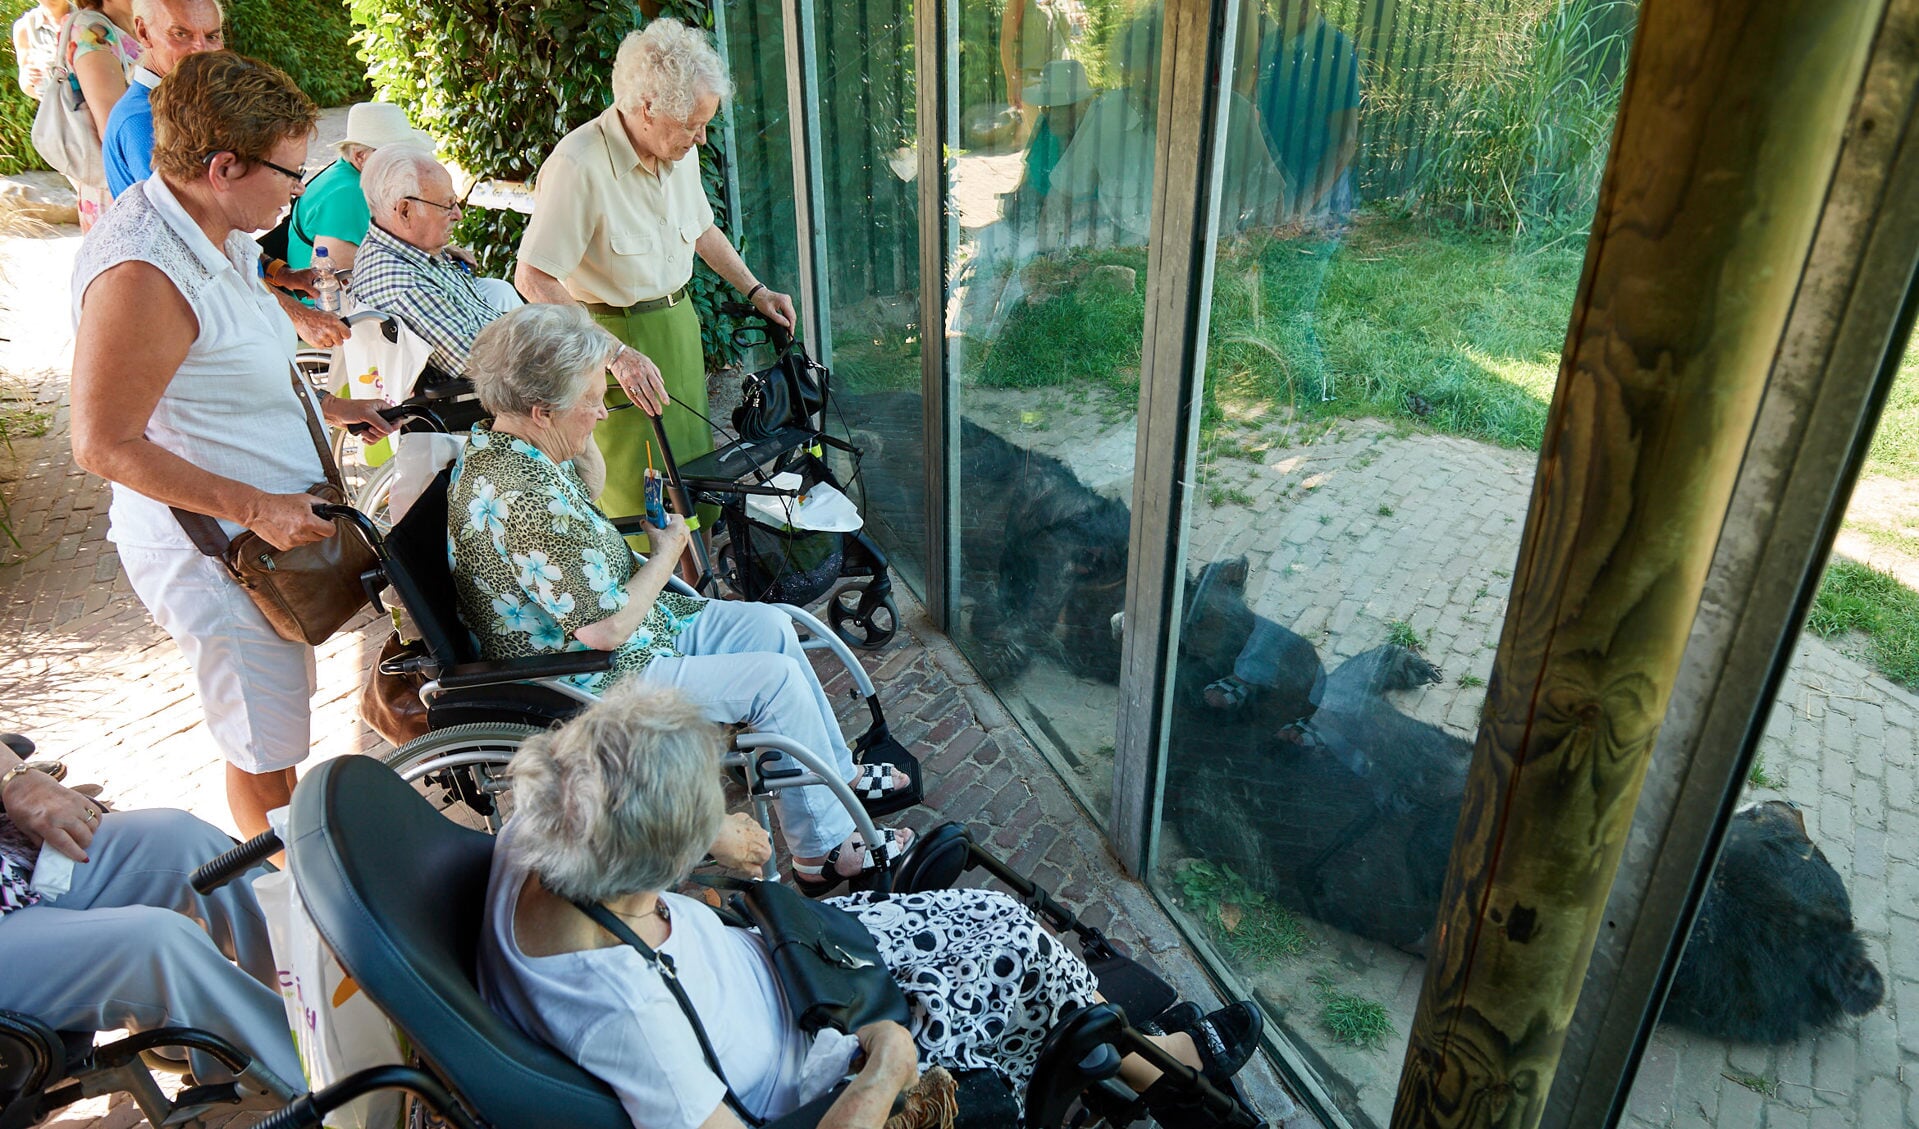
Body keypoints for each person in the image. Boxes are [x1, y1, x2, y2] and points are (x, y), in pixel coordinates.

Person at [478, 683, 1264, 1129]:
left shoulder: (546, 818)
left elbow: (611, 780)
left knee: (999, 923)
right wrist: (885, 1072)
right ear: (654, 860)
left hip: (790, 953)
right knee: (1011, 954)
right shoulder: (629, 1020)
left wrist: (706, 831)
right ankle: (1148, 1061)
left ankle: (1126, 1057)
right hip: (825, 1057)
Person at [448, 303, 910, 892]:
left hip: (637, 626)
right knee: (774, 680)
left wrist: (579, 440)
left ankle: (834, 776)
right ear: (540, 411)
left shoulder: (513, 445)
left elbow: (582, 500)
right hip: (591, 672)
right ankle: (820, 852)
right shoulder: (522, 500)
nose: (600, 412)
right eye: (591, 400)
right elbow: (606, 630)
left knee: (767, 627)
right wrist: (669, 549)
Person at [67, 50, 395, 842]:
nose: (296, 194)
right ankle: (284, 913)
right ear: (222, 166)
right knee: (261, 748)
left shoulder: (214, 229)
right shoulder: (145, 271)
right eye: (289, 174)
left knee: (278, 727)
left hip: (259, 536)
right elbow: (101, 442)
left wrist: (332, 405)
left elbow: (221, 371)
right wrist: (258, 506)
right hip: (221, 554)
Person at [515, 19, 795, 538]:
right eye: (693, 123)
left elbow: (702, 229)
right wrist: (613, 355)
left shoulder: (675, 148)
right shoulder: (579, 165)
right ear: (648, 108)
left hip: (677, 328)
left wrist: (755, 291)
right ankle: (651, 594)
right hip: (611, 341)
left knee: (691, 475)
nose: (702, 136)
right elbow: (532, 276)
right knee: (640, 489)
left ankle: (699, 575)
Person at [0, 743, 301, 1088]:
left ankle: (342, 1012)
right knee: (154, 944)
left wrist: (16, 778)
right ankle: (325, 1092)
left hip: (13, 869)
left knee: (183, 840)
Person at [1042, 13, 1287, 249]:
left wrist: (1242, 264)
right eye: (1140, 89)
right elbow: (1058, 199)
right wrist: (1049, 261)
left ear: (1188, 73)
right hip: (1120, 269)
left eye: (1162, 86)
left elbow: (1271, 209)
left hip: (1210, 269)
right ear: (1127, 78)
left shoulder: (1233, 116)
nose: (1154, 101)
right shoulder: (1106, 116)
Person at [350, 144, 523, 377]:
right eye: (447, 206)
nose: (458, 215)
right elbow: (485, 366)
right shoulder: (403, 286)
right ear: (404, 212)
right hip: (502, 380)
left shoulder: (406, 242)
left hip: (501, 339)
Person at [284, 101, 434, 274]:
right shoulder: (348, 192)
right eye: (394, 155)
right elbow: (336, 274)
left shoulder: (346, 172)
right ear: (360, 156)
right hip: (320, 298)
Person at [101, 0, 222, 199]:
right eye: (181, 34)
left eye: (212, 36)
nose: (202, 50)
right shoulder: (142, 118)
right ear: (143, 32)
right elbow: (185, 215)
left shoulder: (183, 103)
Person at [1252, 0, 1360, 222]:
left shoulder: (1336, 50)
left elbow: (1345, 141)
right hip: (1276, 196)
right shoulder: (1270, 45)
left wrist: (1299, 208)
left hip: (1320, 206)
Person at [53, 0, 139, 231]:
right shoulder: (92, 30)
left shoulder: (135, 24)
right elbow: (113, 128)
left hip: (137, 177)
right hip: (122, 182)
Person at [11, 0, 69, 96]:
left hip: (94, 104)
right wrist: (29, 79)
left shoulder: (88, 17)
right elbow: (25, 82)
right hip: (53, 106)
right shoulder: (24, 27)